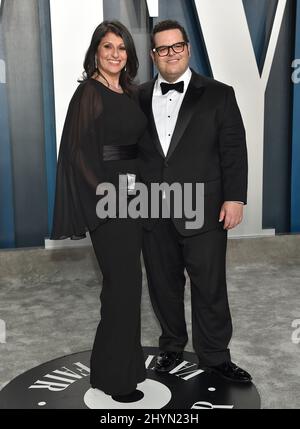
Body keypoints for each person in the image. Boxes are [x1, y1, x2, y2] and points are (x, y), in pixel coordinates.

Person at [138, 20, 252, 383]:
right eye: (162, 49)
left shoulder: (219, 93)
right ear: (153, 55)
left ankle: (216, 356)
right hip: (153, 210)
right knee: (162, 284)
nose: (170, 54)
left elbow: (233, 150)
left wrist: (234, 198)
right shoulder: (136, 97)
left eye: (176, 46)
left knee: (210, 284)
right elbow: (124, 152)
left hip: (205, 209)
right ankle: (171, 346)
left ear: (187, 48)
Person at [50, 21, 147, 402]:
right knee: (122, 288)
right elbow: (76, 154)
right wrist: (107, 197)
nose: (115, 54)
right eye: (108, 47)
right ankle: (114, 380)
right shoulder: (88, 93)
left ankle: (125, 367)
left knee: (128, 286)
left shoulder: (128, 91)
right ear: (95, 51)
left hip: (138, 197)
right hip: (109, 203)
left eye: (122, 48)